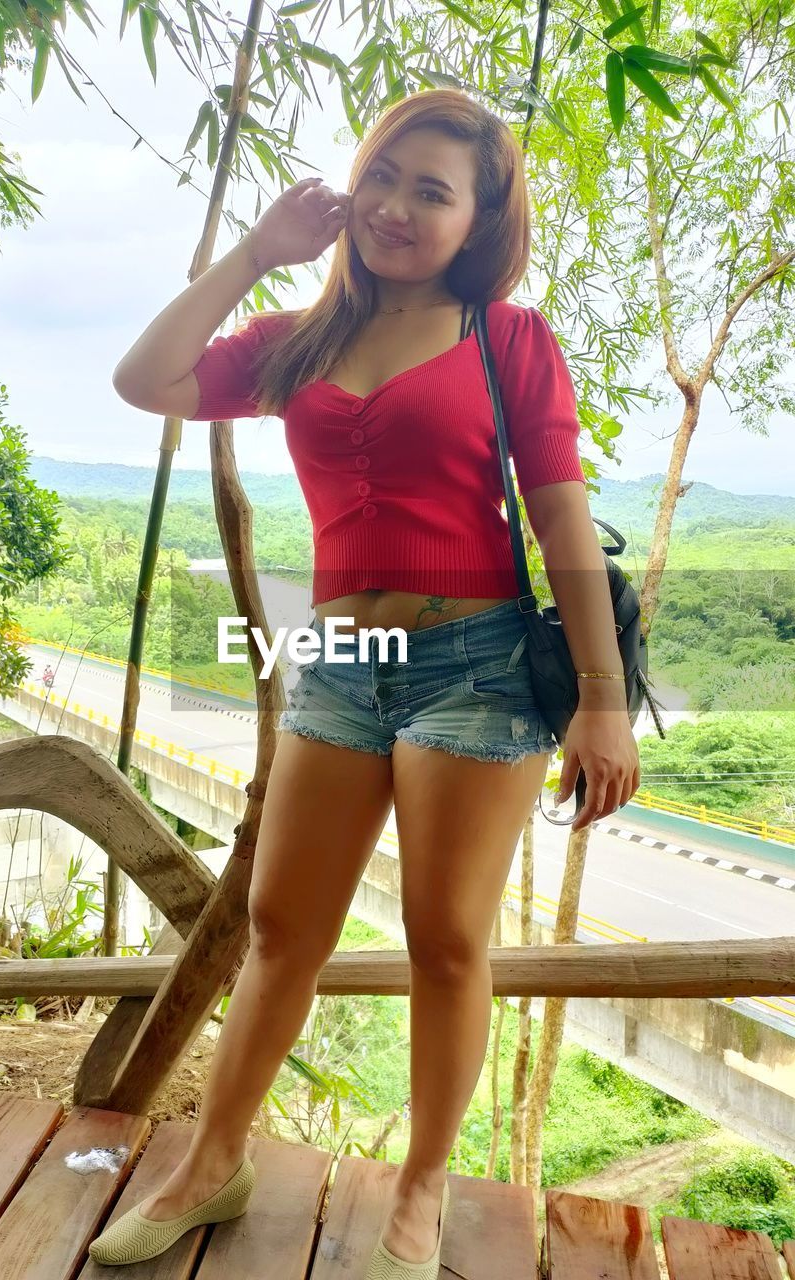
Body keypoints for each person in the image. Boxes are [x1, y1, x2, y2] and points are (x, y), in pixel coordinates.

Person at [98, 88, 640, 1276]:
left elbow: (560, 524)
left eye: (433, 191)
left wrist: (601, 696)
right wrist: (254, 253)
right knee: (283, 926)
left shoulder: (507, 340)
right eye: (384, 176)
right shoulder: (304, 335)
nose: (396, 206)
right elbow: (149, 379)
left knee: (447, 937)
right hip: (345, 661)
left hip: (480, 660)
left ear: (479, 220)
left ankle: (420, 1188)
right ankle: (213, 1161)